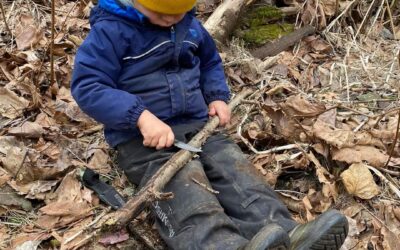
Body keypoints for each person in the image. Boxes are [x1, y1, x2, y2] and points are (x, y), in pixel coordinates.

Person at [71, 0, 349, 249]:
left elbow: (209, 62)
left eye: (180, 12)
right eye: (162, 12)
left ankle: (285, 233)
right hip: (143, 141)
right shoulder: (111, 32)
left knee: (236, 173)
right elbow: (88, 86)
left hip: (198, 124)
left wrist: (216, 96)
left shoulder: (189, 25)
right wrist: (140, 117)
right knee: (185, 187)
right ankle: (219, 243)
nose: (172, 20)